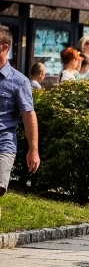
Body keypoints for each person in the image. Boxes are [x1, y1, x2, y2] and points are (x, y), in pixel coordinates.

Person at [0, 25, 40, 198]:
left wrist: (33, 150)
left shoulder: (19, 81)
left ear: (4, 47)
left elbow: (28, 115)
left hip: (3, 145)